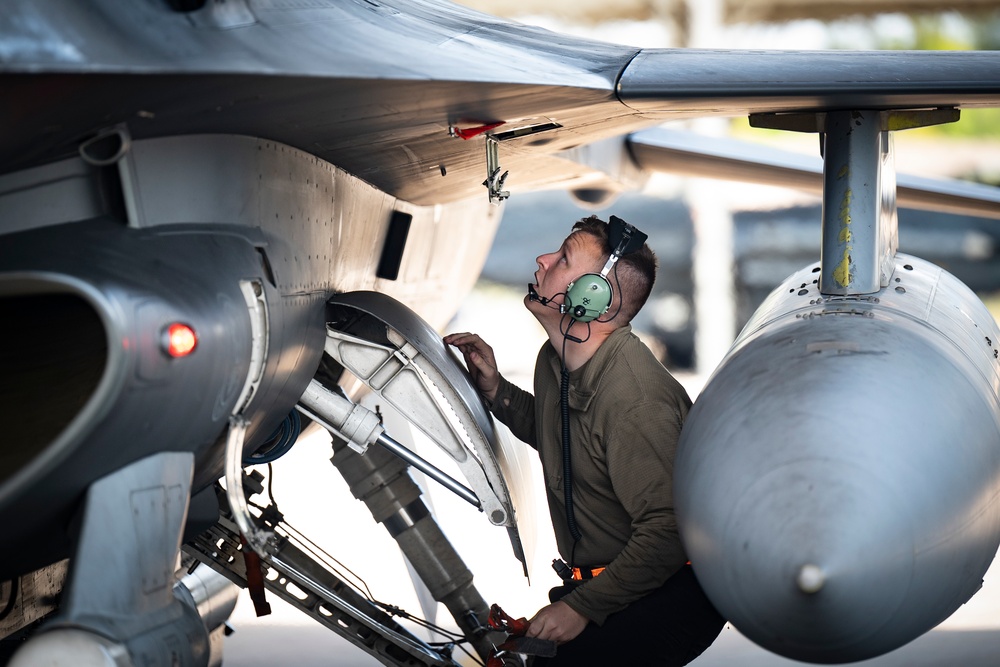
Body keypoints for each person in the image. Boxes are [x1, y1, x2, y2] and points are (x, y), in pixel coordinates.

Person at [445, 215, 724, 666]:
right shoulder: (556, 361)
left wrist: (581, 607)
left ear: (592, 296)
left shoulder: (636, 400)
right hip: (610, 581)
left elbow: (668, 532)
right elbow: (571, 443)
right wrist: (497, 390)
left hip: (669, 589)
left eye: (563, 258)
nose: (543, 259)